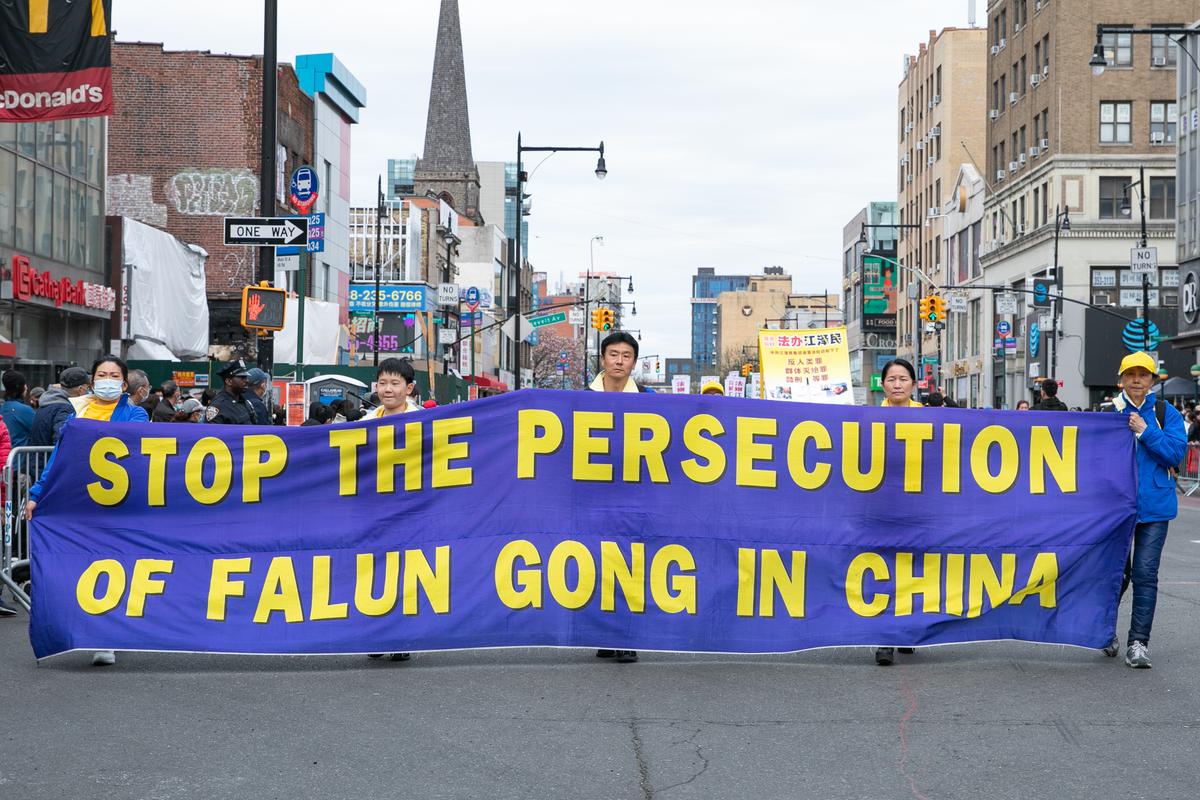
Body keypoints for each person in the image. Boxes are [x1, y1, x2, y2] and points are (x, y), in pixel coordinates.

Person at [25, 355, 149, 662]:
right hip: (78, 502)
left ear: (123, 384)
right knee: (82, 566)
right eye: (102, 374)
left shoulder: (136, 416)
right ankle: (87, 630)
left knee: (114, 566)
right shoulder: (75, 415)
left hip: (119, 504)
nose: (107, 379)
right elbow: (59, 458)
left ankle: (105, 637)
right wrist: (37, 493)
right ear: (92, 381)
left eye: (114, 375)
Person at [1106, 352, 1187, 669]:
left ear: (1153, 380)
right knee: (1112, 576)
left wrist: (1144, 430)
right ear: (1121, 379)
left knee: (1144, 576)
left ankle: (1138, 643)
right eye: (1131, 374)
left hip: (1154, 507)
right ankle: (1103, 632)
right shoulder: (1108, 413)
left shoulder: (1166, 413)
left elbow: (1175, 454)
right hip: (1113, 508)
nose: (1137, 379)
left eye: (1143, 374)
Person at [588, 331, 652, 664]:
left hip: (633, 494)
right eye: (613, 354)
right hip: (592, 494)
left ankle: (626, 635)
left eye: (626, 356)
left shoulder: (648, 398)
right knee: (596, 562)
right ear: (603, 358)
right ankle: (604, 633)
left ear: (634, 362)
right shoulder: (582, 398)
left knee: (630, 562)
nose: (619, 361)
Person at [361, 358, 420, 663]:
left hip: (413, 510)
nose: (388, 389)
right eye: (383, 382)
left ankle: (402, 636)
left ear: (409, 389)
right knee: (374, 571)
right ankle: (376, 633)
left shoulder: (428, 422)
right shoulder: (365, 423)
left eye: (395, 383)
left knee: (407, 571)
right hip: (375, 510)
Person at [875, 357, 922, 665]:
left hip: (919, 507)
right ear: (883, 384)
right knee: (884, 569)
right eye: (891, 379)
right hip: (881, 506)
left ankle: (908, 630)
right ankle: (884, 638)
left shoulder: (931, 419)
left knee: (915, 570)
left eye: (903, 379)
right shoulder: (868, 417)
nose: (897, 384)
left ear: (914, 384)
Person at [29, 367, 90, 447]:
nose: (88, 392)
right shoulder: (64, 408)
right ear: (80, 389)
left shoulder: (47, 402)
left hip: (38, 457)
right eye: (87, 388)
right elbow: (61, 439)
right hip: (49, 458)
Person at [206, 360, 257, 425]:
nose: (247, 380)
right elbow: (213, 433)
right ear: (228, 381)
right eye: (242, 377)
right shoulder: (218, 406)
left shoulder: (244, 402)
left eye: (246, 377)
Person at [1, 370, 35, 447]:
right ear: (19, 387)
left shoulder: (3, 408)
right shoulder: (25, 410)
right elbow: (39, 432)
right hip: (18, 458)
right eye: (24, 384)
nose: (26, 387)